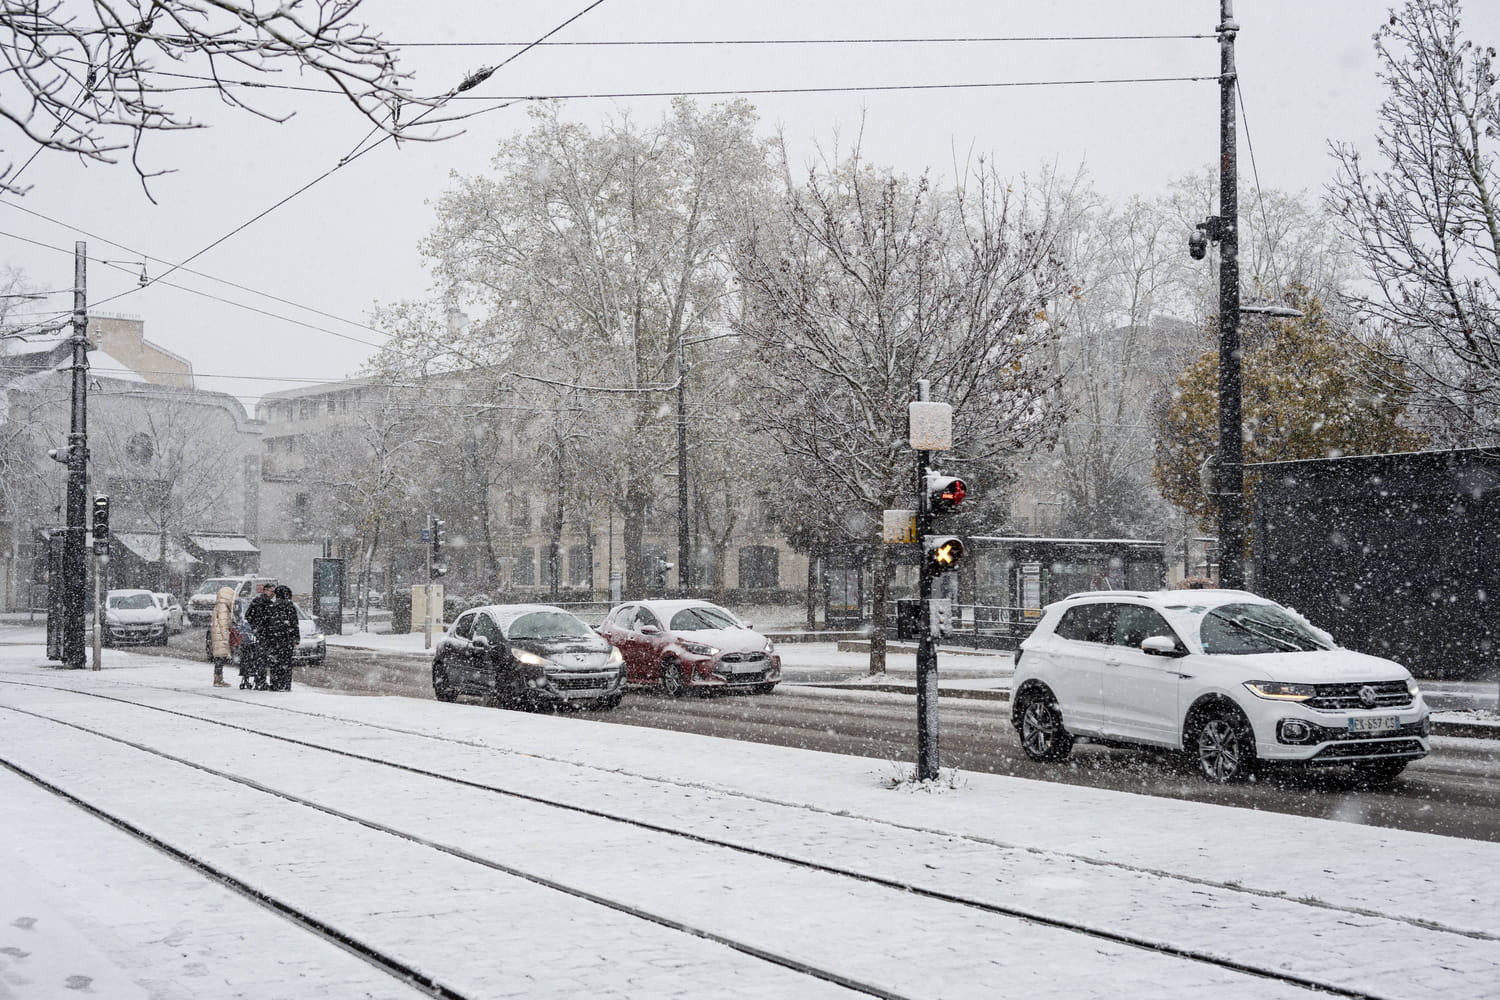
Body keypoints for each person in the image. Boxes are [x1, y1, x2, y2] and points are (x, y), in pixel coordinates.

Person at [262, 585, 301, 691]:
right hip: (287, 639)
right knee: (286, 663)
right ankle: (285, 684)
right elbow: (294, 623)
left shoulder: (272, 606)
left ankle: (275, 683)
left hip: (274, 639)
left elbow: (267, 624)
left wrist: (267, 637)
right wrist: (296, 639)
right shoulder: (290, 606)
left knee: (275, 662)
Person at [242, 583, 276, 690]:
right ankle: (261, 680)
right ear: (265, 590)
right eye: (272, 591)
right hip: (264, 633)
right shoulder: (266, 603)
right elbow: (250, 616)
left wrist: (255, 626)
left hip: (260, 633)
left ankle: (259, 679)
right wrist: (260, 625)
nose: (273, 594)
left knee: (259, 657)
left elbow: (248, 615)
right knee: (262, 657)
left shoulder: (257, 601)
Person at [208, 586, 235, 688]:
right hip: (221, 636)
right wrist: (226, 637)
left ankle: (218, 678)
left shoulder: (218, 605)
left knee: (219, 658)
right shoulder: (223, 607)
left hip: (217, 634)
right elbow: (223, 623)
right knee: (220, 658)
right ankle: (218, 680)